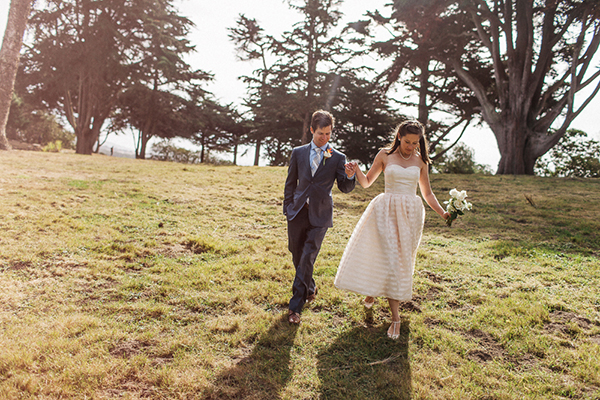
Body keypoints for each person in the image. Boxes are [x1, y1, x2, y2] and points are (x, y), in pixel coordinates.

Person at [334, 120, 449, 339]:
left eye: (416, 143)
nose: (411, 147)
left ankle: (373, 292)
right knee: (390, 258)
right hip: (386, 211)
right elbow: (367, 182)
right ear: (399, 137)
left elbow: (427, 194)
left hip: (410, 216)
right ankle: (396, 319)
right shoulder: (385, 155)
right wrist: (356, 170)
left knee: (399, 260)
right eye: (407, 142)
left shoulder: (421, 161)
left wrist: (443, 213)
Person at [284, 110, 356, 324]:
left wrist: (350, 177)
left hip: (321, 215)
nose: (324, 138)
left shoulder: (338, 157)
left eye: (328, 134)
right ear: (311, 130)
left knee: (307, 256)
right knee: (296, 254)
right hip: (297, 212)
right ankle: (311, 286)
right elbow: (290, 183)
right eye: (320, 134)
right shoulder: (298, 153)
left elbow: (344, 187)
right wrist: (287, 208)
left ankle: (295, 307)